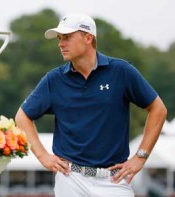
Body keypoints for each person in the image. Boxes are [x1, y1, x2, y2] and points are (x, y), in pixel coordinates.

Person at [15, 13, 167, 196]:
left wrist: (140, 157)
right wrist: (42, 155)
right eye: (59, 38)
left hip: (114, 180)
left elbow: (158, 109)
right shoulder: (54, 80)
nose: (61, 44)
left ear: (88, 38)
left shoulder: (121, 71)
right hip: (71, 178)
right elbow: (22, 116)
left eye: (67, 37)